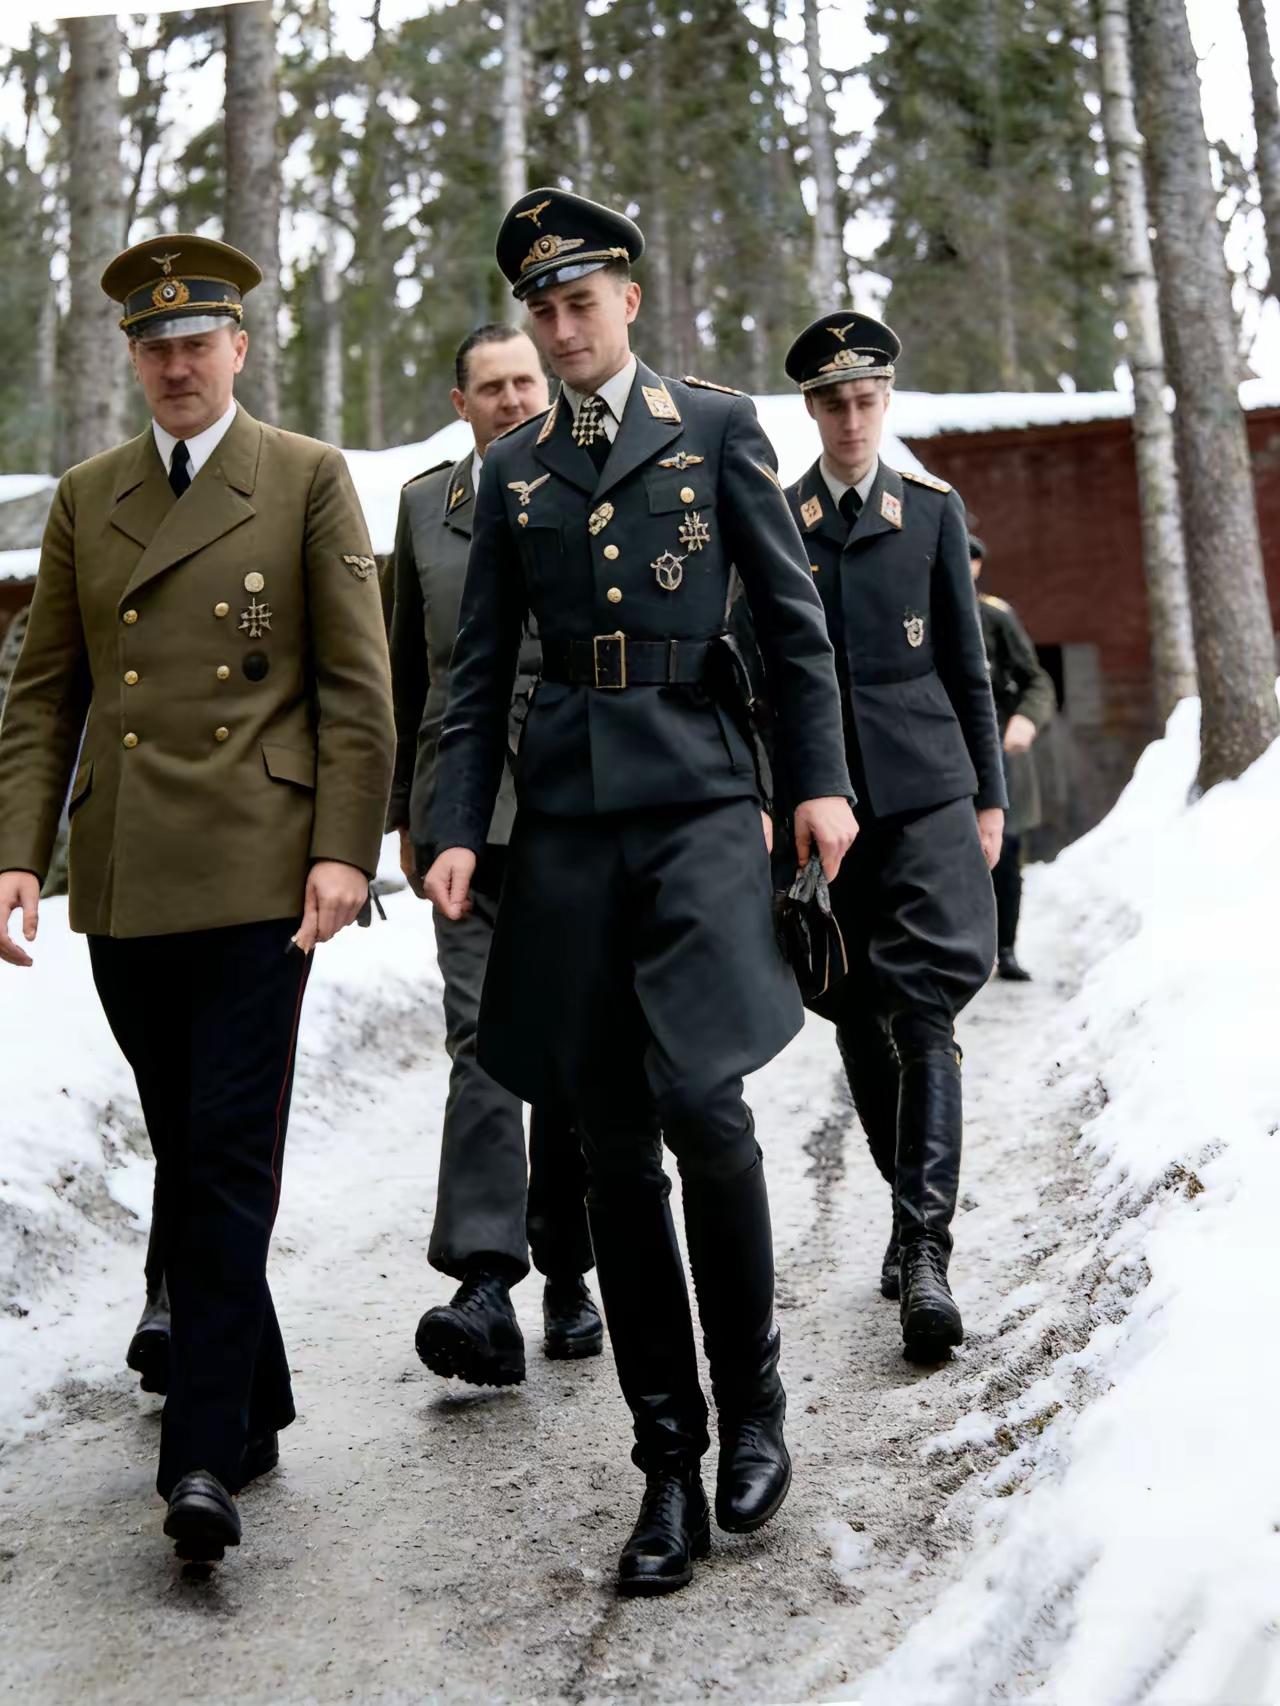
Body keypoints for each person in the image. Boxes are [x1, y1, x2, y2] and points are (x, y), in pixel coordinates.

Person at [424, 189, 855, 1596]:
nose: (563, 330)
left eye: (581, 303)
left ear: (627, 298)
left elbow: (793, 624)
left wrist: (821, 780)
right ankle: (664, 1461)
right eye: (541, 312)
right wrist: (453, 827)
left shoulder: (721, 429)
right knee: (609, 1142)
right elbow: (480, 669)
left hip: (697, 813)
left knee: (707, 1111)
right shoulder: (513, 474)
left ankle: (755, 1406)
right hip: (565, 834)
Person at [0, 235, 394, 1564]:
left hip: (258, 875)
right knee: (191, 1146)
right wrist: (16, 851)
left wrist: (347, 846)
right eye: (154, 346)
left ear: (237, 350)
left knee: (226, 1148)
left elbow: (357, 685)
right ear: (134, 361)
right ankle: (260, 1395)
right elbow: (43, 689)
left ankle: (201, 1454)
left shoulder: (303, 478)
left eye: (197, 341)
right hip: (122, 879)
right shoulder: (86, 495)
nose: (176, 361)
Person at [775, 310, 1005, 1363]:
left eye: (866, 398)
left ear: (885, 401)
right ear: (811, 410)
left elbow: (968, 667)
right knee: (852, 1012)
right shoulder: (777, 519)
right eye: (832, 401)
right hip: (827, 809)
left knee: (922, 1012)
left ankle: (924, 1252)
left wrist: (989, 797)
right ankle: (904, 1203)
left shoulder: (930, 513)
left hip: (921, 795)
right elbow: (769, 674)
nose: (851, 416)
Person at [386, 323, 601, 1384]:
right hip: (458, 815)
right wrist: (401, 812)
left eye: (526, 380)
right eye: (492, 386)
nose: (514, 397)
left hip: (574, 805)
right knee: (478, 1036)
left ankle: (568, 1266)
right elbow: (401, 672)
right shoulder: (426, 506)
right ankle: (483, 1279)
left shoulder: (589, 483)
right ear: (461, 402)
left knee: (565, 1045)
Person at [970, 536, 1055, 982]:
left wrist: (1026, 719)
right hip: (950, 757)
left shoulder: (995, 618)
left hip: (1003, 752)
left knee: (1007, 856)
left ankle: (1006, 948)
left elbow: (1036, 681)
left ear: (978, 566)